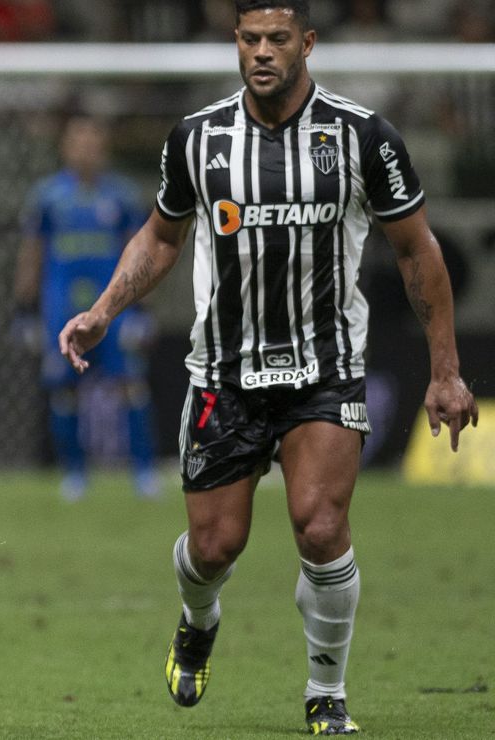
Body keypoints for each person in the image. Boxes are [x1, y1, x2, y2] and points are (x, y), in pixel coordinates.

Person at [58, 1, 478, 734]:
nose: (261, 51)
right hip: (224, 373)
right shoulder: (198, 137)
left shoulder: (362, 136)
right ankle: (198, 618)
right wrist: (104, 310)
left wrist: (445, 371)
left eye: (277, 38)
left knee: (320, 527)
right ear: (236, 42)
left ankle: (326, 693)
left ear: (306, 43)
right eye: (249, 38)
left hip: (325, 369)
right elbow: (161, 236)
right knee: (214, 548)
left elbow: (417, 249)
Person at [14, 114, 160, 501]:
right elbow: (32, 253)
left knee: (132, 385)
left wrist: (142, 311)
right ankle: (75, 474)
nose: (86, 151)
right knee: (64, 391)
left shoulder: (122, 196)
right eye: (79, 143)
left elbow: (140, 254)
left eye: (93, 143)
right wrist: (25, 309)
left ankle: (144, 472)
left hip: (113, 309)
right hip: (60, 307)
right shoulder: (47, 197)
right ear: (65, 148)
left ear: (104, 149)